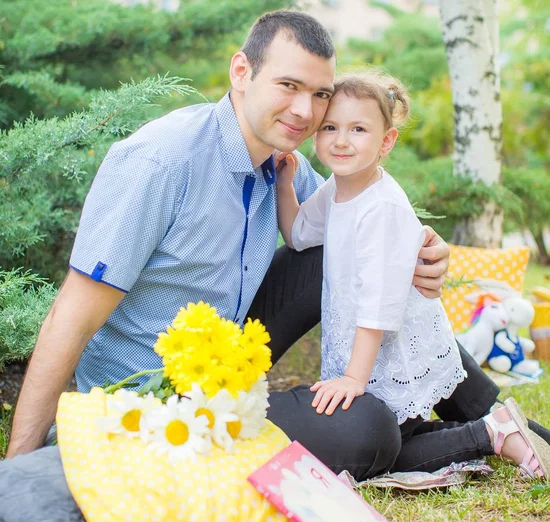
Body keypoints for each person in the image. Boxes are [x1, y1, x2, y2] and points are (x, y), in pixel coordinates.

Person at [3, 10, 547, 483]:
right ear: (242, 72)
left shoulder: (285, 165)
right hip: (161, 396)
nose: (306, 112)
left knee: (349, 252)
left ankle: (507, 420)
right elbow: (69, 317)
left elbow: (367, 222)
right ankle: (470, 435)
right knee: (367, 429)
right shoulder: (161, 162)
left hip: (232, 350)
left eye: (320, 95)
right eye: (289, 86)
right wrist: (19, 468)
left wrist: (424, 249)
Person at [274, 70, 550, 479]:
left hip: (395, 356)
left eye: (358, 129)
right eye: (330, 127)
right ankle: (501, 430)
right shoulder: (337, 187)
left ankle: (491, 432)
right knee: (392, 438)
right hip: (371, 351)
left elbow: (378, 306)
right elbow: (297, 235)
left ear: (386, 141)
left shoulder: (382, 207)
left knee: (384, 453)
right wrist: (284, 182)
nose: (341, 140)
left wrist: (353, 377)